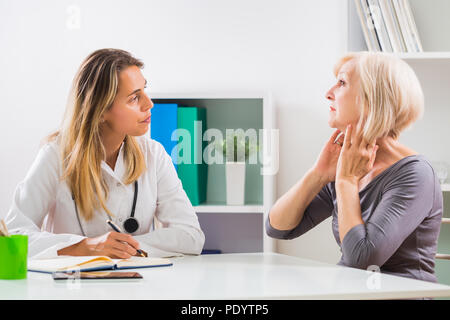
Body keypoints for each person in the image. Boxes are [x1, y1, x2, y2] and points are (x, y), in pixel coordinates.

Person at [5, 48, 205, 259]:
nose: (149, 104)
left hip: (138, 286)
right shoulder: (55, 155)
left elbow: (190, 236)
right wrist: (83, 246)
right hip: (71, 288)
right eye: (134, 98)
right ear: (100, 111)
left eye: (144, 90)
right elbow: (13, 236)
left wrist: (121, 247)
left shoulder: (154, 155)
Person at [266, 51, 443, 283]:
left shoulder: (415, 174)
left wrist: (346, 181)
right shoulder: (350, 163)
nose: (328, 93)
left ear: (372, 98)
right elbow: (278, 228)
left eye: (341, 83)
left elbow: (363, 260)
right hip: (350, 291)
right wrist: (318, 174)